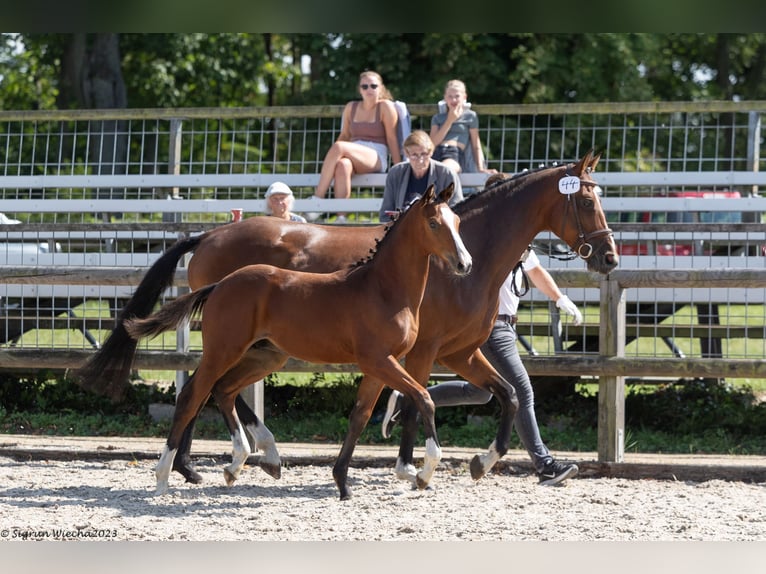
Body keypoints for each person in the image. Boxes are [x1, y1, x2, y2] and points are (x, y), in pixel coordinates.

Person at [381, 175, 583, 486]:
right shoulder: (492, 239)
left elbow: (535, 270)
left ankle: (408, 397)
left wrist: (560, 298)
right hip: (490, 325)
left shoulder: (511, 238)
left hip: (504, 325)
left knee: (480, 392)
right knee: (520, 392)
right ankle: (545, 465)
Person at [308, 70, 402, 224]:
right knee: (341, 165)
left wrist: (399, 167)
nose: (369, 89)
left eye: (373, 86)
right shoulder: (351, 107)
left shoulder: (385, 107)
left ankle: (317, 200)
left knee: (339, 147)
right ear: (359, 89)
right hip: (352, 151)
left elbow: (392, 139)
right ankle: (341, 217)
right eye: (364, 86)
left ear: (381, 88)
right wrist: (332, 159)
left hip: (375, 154)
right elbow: (344, 135)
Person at [378, 130, 463, 222]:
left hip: (436, 231)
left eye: (424, 154)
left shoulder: (447, 174)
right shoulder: (395, 173)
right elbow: (385, 216)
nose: (420, 160)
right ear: (407, 154)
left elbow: (458, 212)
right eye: (414, 155)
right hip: (404, 230)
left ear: (431, 152)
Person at [430, 79, 497, 176]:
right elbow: (432, 144)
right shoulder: (438, 118)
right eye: (450, 96)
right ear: (445, 98)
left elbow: (476, 145)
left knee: (444, 171)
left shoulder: (470, 116)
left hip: (453, 153)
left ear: (464, 97)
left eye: (457, 96)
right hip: (434, 153)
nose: (453, 100)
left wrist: (481, 168)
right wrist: (450, 120)